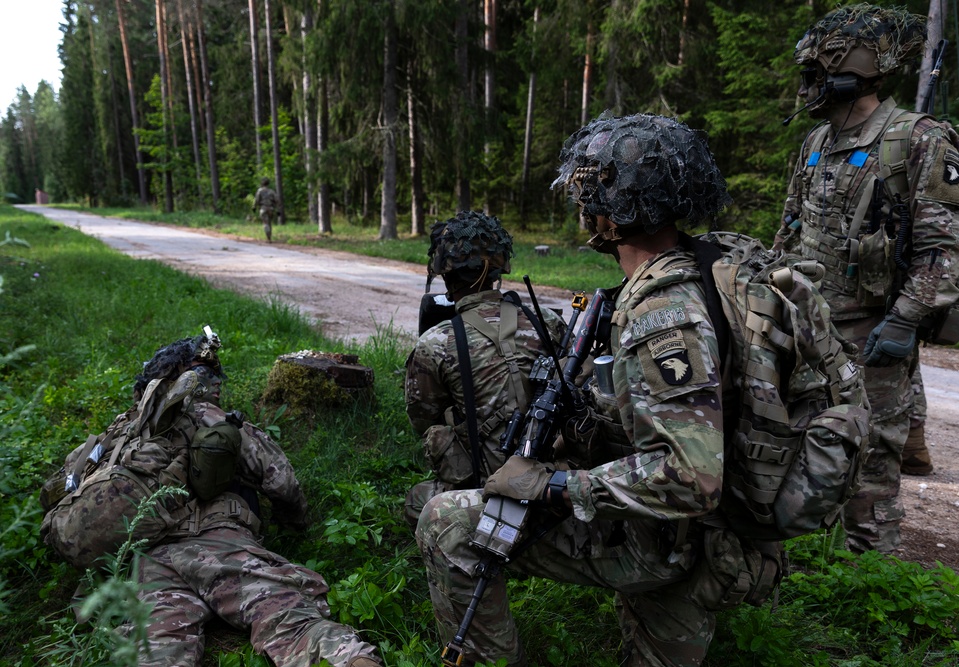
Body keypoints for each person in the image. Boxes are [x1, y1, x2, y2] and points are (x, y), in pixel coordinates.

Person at [415, 114, 747, 667]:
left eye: (587, 190)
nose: (581, 206)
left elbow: (690, 476)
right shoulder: (712, 270)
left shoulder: (662, 314)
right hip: (718, 532)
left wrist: (555, 484)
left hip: (669, 536)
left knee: (445, 522)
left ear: (616, 209)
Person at [774, 4, 959, 552]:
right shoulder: (816, 143)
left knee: (872, 459)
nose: (805, 88)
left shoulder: (918, 139)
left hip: (873, 332)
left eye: (813, 76)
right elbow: (789, 231)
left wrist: (905, 320)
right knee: (805, 444)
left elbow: (944, 247)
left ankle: (872, 578)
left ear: (849, 72)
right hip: (809, 327)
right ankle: (819, 571)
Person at [127, 330, 381, 667]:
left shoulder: (121, 434)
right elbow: (283, 482)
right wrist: (295, 525)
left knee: (156, 648)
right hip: (220, 546)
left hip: (148, 559)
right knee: (289, 620)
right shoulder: (213, 420)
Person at [404, 210, 568, 526]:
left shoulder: (436, 342)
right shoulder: (547, 322)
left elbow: (422, 419)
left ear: (445, 275)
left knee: (416, 501)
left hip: (487, 487)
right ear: (497, 270)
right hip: (556, 481)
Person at [253, 177, 280, 242]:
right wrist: (278, 209)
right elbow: (277, 200)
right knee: (269, 223)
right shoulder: (271, 191)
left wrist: (254, 207)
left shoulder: (260, 191)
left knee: (265, 223)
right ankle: (269, 237)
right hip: (271, 208)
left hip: (263, 208)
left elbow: (257, 200)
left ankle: (268, 238)